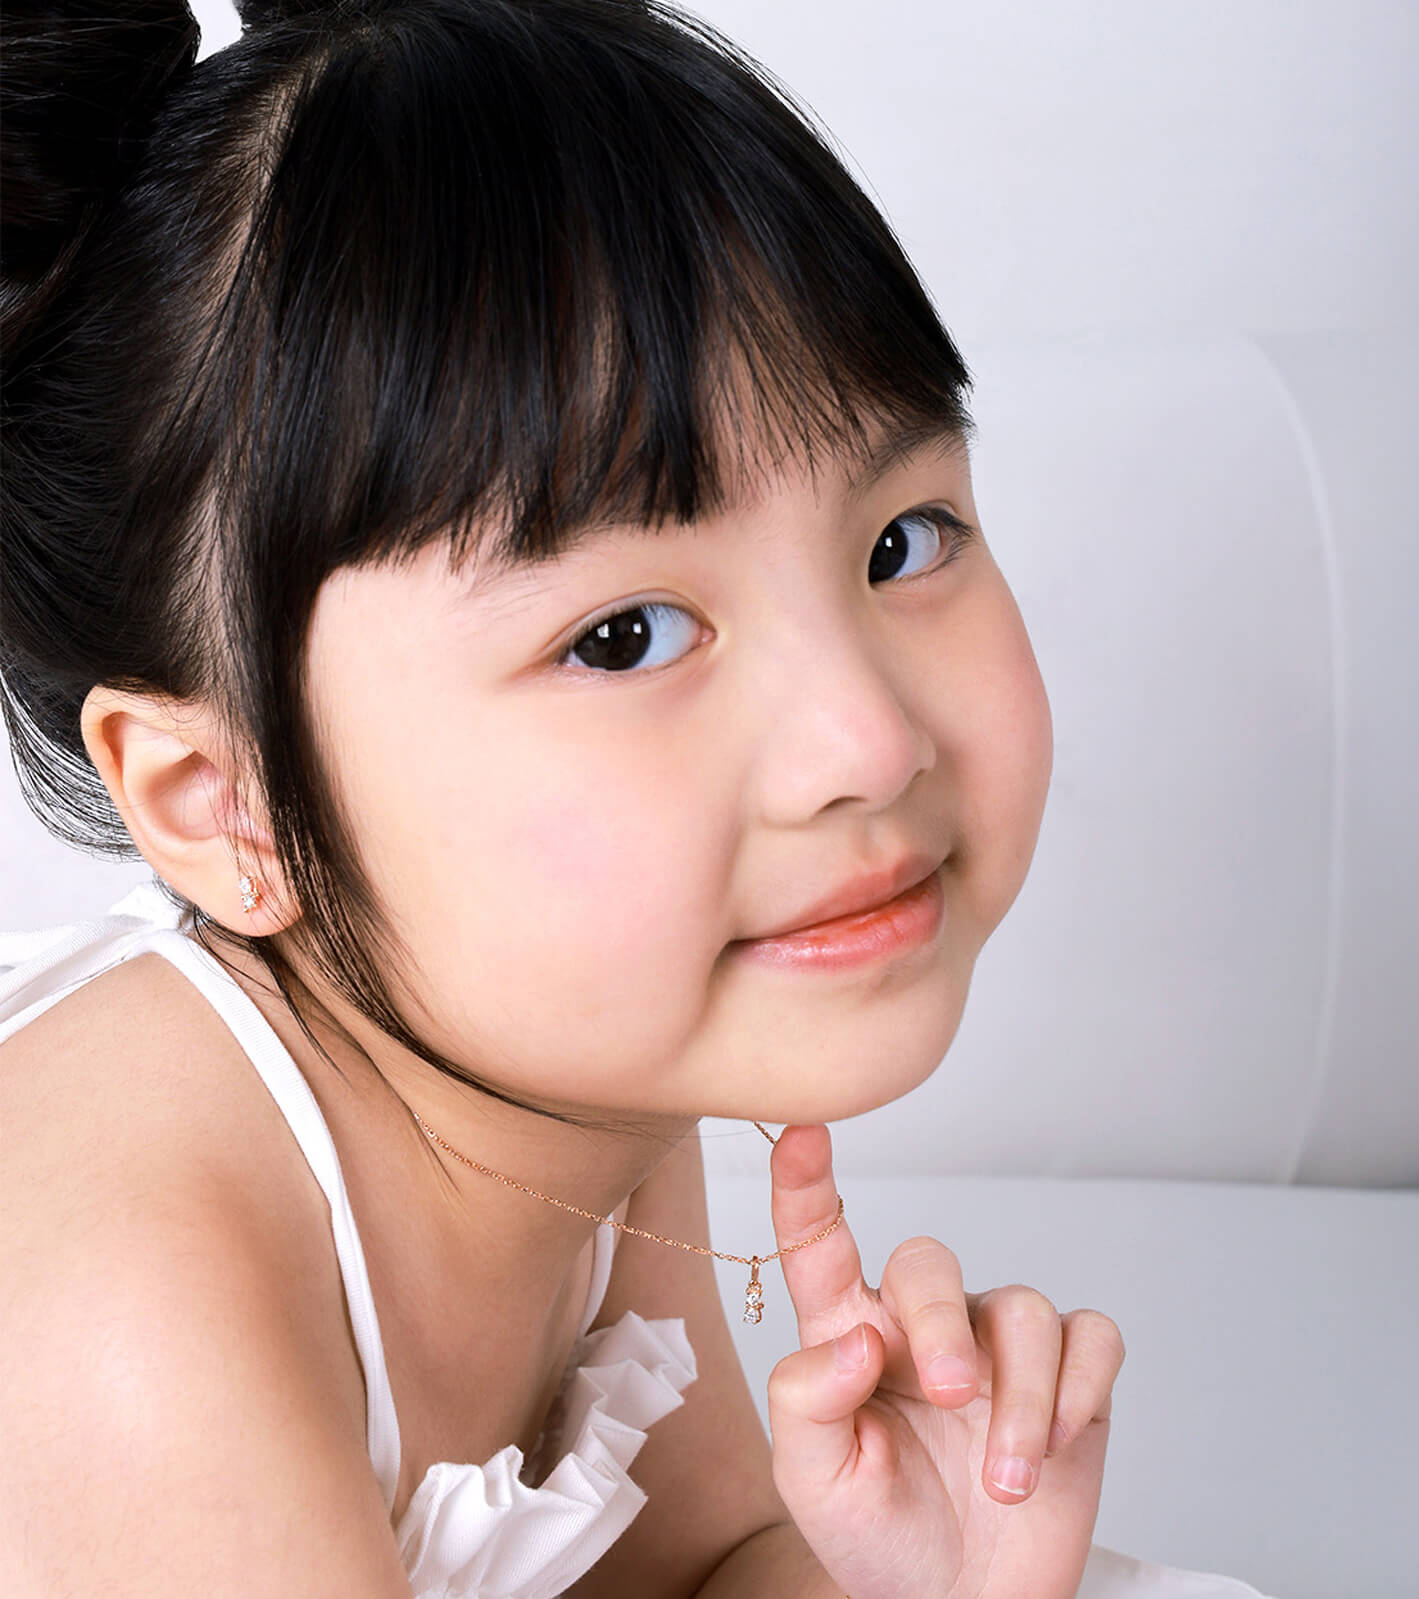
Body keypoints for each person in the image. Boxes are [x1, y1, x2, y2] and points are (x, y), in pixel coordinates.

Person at [0, 1, 1129, 1593]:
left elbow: (694, 1564)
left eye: (904, 541)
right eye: (623, 637)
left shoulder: (553, 1059)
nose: (868, 743)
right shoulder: (132, 1300)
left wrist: (934, 1579)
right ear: (221, 801)